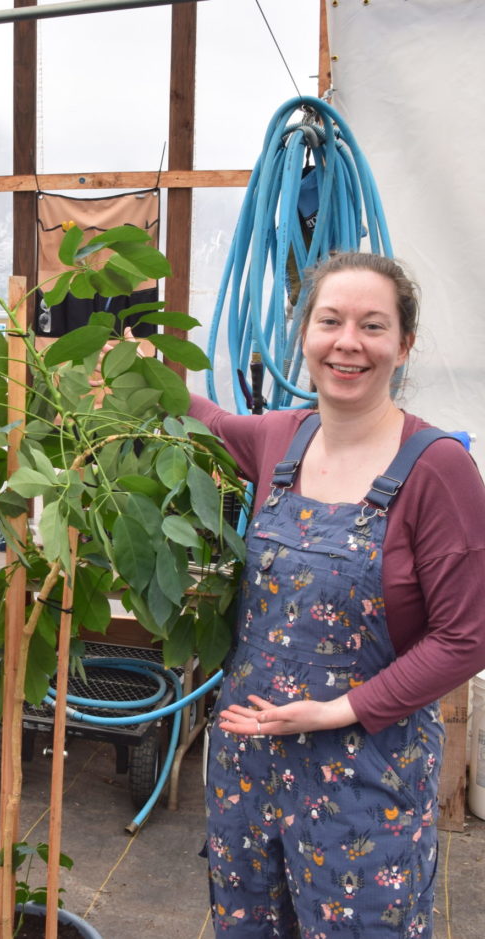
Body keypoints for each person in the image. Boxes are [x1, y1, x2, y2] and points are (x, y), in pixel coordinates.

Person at [191, 252, 485, 936]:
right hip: (248, 762)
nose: (348, 341)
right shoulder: (279, 439)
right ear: (305, 334)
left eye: (373, 325)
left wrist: (334, 711)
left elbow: (466, 635)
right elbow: (201, 418)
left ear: (403, 344)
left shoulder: (438, 467)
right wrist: (136, 365)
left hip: (363, 776)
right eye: (331, 321)